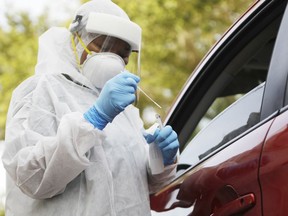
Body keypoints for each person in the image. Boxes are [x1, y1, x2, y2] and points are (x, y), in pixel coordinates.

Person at [1, 0, 179, 215]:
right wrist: (93, 120)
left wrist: (161, 160)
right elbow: (29, 177)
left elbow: (142, 188)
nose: (112, 59)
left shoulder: (125, 111)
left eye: (122, 54)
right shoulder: (41, 91)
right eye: (103, 47)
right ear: (76, 41)